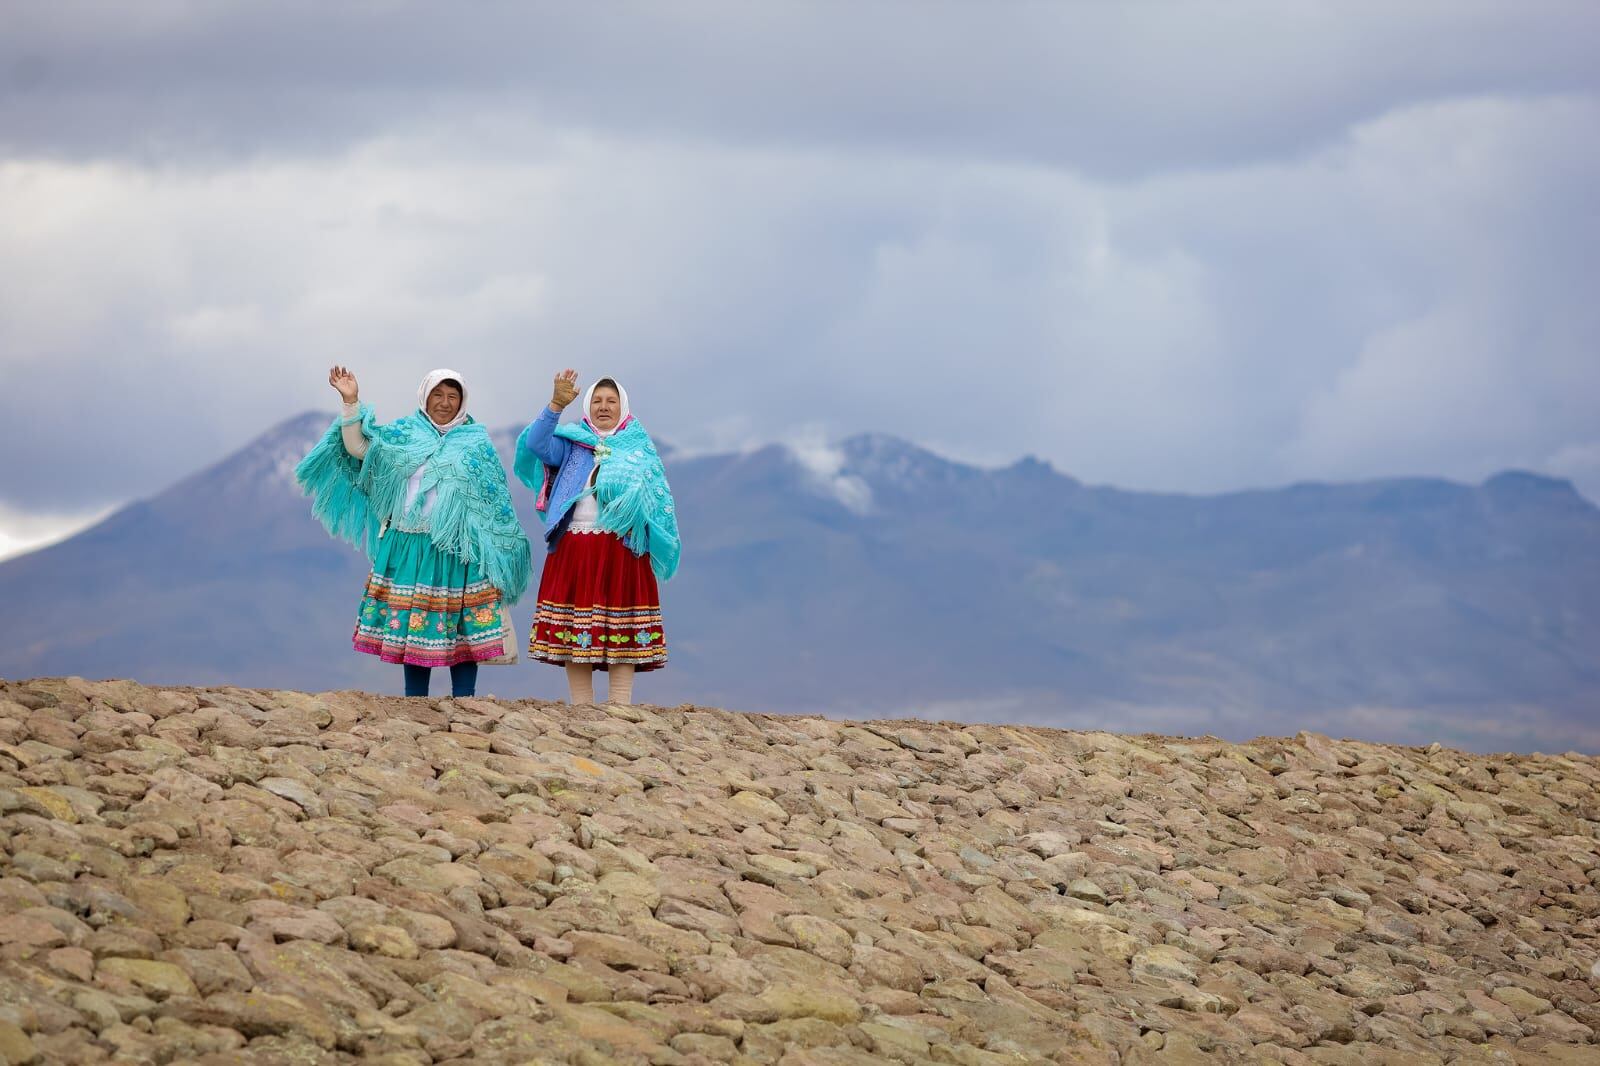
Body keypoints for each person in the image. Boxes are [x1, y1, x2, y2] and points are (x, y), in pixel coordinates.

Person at [295, 367, 531, 698]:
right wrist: (351, 403)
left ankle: (466, 704)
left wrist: (498, 547)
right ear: (425, 396)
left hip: (459, 551)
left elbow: (494, 503)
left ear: (462, 402)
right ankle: (415, 704)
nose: (445, 402)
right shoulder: (403, 436)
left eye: (453, 396)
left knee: (462, 629)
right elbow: (359, 449)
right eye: (438, 394)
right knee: (415, 625)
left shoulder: (476, 445)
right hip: (410, 544)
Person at [515, 370, 680, 705]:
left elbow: (657, 500)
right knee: (577, 624)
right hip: (575, 545)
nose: (604, 407)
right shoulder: (572, 444)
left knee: (622, 623)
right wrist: (554, 407)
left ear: (624, 407)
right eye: (597, 401)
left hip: (623, 548)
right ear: (587, 407)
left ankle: (620, 705)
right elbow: (535, 444)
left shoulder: (640, 450)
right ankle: (582, 706)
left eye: (611, 401)